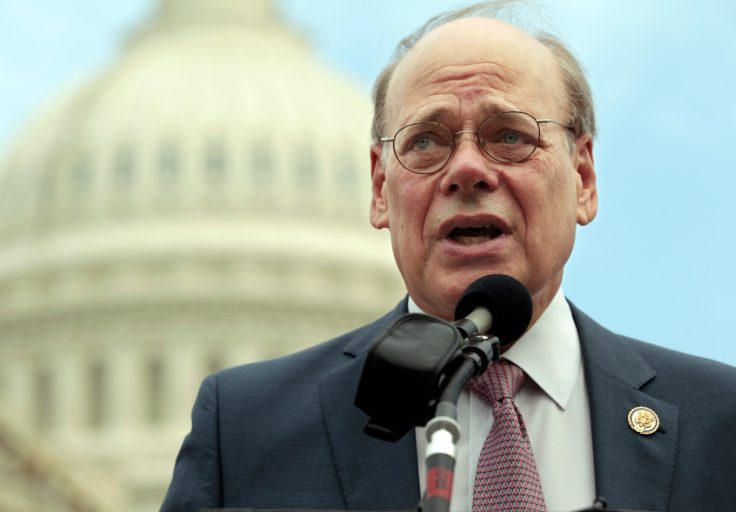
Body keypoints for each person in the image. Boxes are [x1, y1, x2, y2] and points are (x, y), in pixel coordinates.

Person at [160, 3, 736, 511]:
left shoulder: (721, 425)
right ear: (379, 187)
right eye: (426, 142)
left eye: (509, 135)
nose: (466, 170)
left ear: (583, 178)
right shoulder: (245, 431)